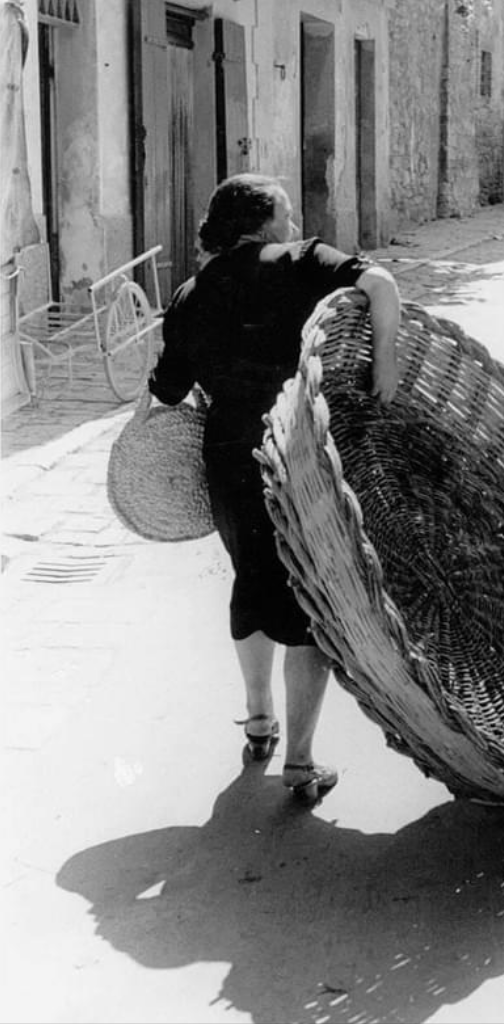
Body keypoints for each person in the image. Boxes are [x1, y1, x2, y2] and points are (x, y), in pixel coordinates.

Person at [148, 174, 400, 804]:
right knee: (306, 594)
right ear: (262, 222)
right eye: (285, 213)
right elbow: (381, 284)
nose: (293, 223)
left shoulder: (189, 292)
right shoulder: (303, 260)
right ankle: (301, 761)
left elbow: (167, 389)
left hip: (228, 454)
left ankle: (259, 723)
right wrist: (385, 363)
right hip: (295, 450)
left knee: (250, 580)